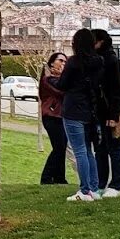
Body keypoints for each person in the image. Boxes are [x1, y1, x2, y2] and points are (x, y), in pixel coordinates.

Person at [55, 30, 102, 202]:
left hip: (73, 108)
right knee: (89, 150)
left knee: (79, 150)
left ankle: (84, 190)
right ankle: (94, 188)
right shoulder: (98, 61)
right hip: (90, 109)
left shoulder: (74, 62)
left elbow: (63, 84)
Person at [92, 30, 120, 197]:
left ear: (100, 42)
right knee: (100, 149)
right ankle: (101, 183)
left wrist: (113, 116)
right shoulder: (99, 61)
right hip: (99, 112)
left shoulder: (113, 62)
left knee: (115, 149)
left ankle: (116, 185)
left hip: (111, 113)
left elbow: (117, 91)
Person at [38, 52, 70, 185]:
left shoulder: (60, 79)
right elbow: (61, 92)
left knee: (62, 147)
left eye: (65, 62)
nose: (63, 64)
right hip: (51, 115)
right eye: (60, 61)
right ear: (52, 62)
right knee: (59, 147)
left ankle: (59, 178)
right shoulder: (48, 79)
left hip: (60, 115)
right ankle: (46, 177)